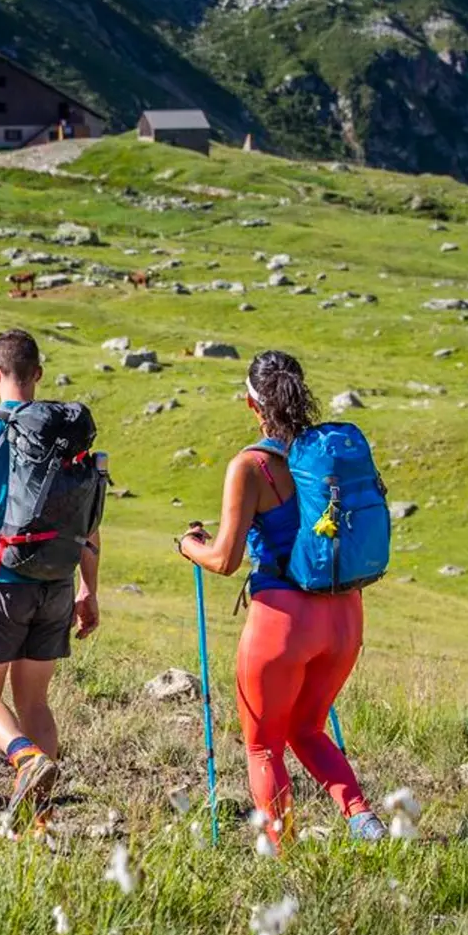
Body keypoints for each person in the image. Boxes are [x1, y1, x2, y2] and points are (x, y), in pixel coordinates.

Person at [177, 350, 386, 848]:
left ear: (252, 403)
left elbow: (224, 559)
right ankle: (364, 820)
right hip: (345, 615)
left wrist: (188, 546)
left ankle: (283, 854)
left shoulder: (251, 466)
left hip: (283, 622)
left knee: (264, 747)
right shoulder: (328, 454)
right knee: (308, 729)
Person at [0, 329, 101, 815]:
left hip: (0, 582)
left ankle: (25, 757)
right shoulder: (64, 435)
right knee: (35, 703)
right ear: (38, 375)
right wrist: (89, 588)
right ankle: (37, 819)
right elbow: (89, 520)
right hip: (57, 581)